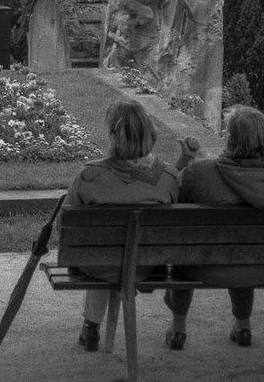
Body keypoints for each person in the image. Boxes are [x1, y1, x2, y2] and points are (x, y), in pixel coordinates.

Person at [163, 105, 264, 350]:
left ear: (231, 137)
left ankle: (178, 328)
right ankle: (242, 325)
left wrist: (183, 160)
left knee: (186, 249)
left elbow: (174, 208)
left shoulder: (200, 172)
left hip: (205, 266)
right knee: (249, 249)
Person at [66, 99, 179, 352]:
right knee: (120, 254)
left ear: (112, 135)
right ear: (151, 133)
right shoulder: (169, 178)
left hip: (99, 264)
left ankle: (91, 326)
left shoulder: (89, 176)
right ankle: (91, 326)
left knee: (105, 255)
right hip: (146, 267)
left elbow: (67, 227)